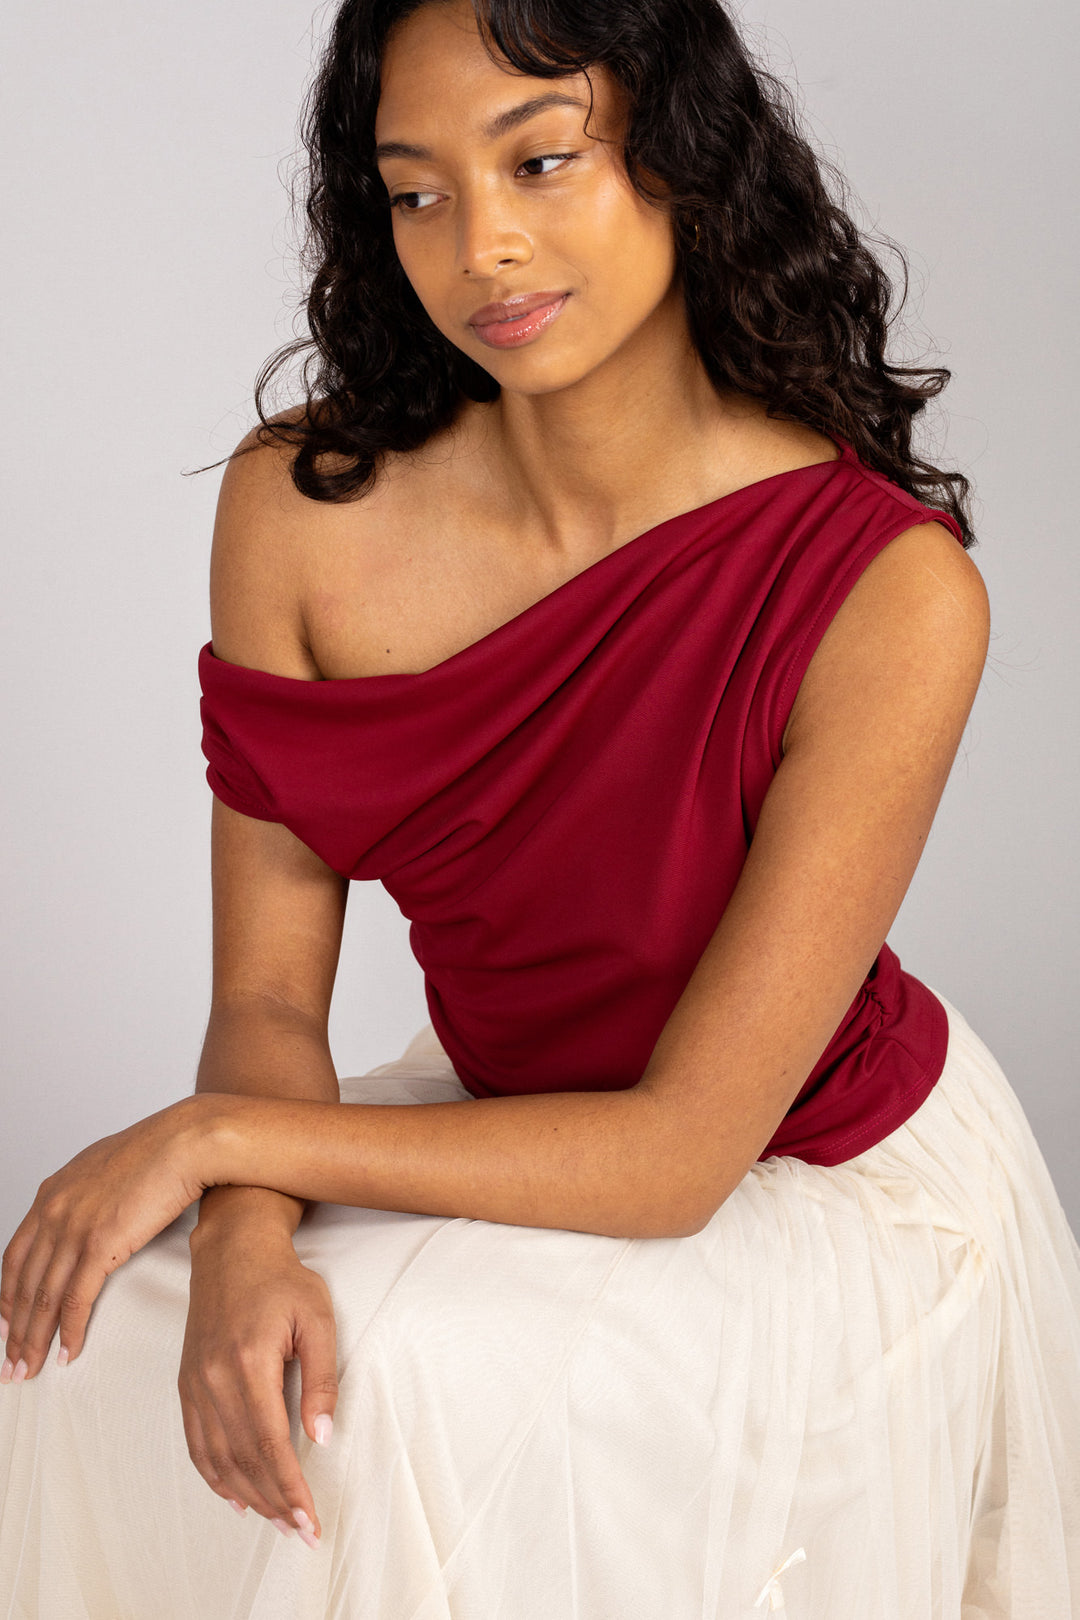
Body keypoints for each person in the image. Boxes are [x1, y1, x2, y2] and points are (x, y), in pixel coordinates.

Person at [2, 0, 1079, 1613]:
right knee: (89, 1343)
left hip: (795, 1164)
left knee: (400, 1391)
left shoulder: (887, 589)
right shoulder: (301, 513)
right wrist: (241, 1231)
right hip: (507, 1120)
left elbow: (676, 1160)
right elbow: (266, 993)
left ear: (682, 165)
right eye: (417, 191)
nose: (481, 247)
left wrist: (221, 1140)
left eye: (542, 161)